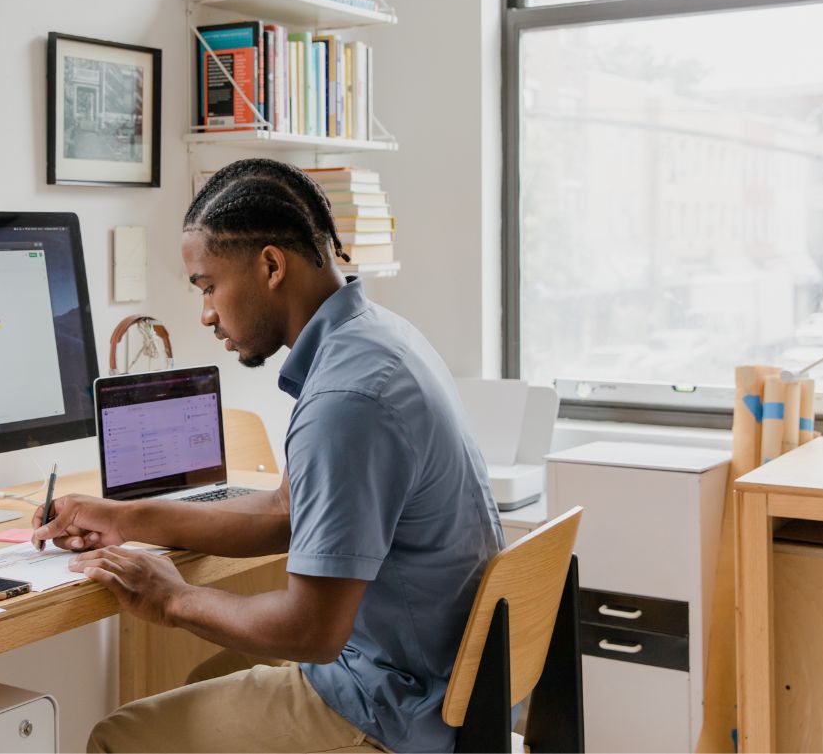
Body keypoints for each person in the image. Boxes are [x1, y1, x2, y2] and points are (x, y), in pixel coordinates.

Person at [31, 158, 505, 753]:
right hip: (441, 679)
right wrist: (125, 519)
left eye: (208, 287)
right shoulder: (378, 337)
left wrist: (172, 597)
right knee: (205, 676)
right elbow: (287, 509)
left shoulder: (345, 400)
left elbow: (311, 632)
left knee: (117, 738)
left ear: (271, 265)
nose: (206, 313)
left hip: (394, 707)